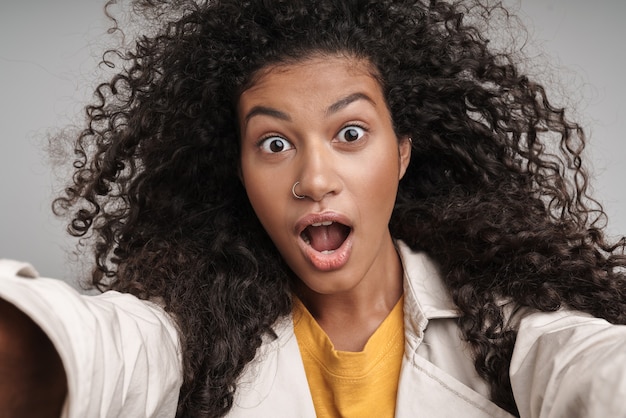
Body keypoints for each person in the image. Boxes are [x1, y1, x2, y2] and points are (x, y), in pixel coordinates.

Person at [1, 0, 626, 417]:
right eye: (275, 144)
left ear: (403, 153)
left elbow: (596, 374)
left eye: (350, 133)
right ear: (240, 173)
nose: (314, 178)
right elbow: (101, 350)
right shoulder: (191, 338)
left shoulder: (509, 331)